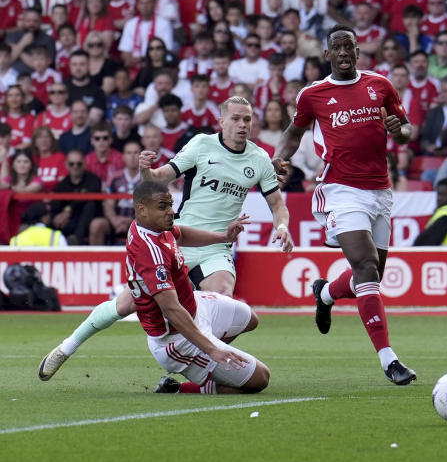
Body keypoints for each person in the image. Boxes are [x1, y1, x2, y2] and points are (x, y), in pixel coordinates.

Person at [38, 97, 293, 381]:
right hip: (177, 239)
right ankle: (65, 348)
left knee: (223, 299)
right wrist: (145, 169)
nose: (242, 124)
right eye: (235, 118)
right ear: (221, 122)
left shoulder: (258, 159)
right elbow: (159, 178)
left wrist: (282, 226)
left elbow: (277, 206)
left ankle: (200, 364)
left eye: (247, 119)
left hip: (216, 247)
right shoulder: (201, 145)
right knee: (124, 306)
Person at [271, 25, 417, 385]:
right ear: (327, 55)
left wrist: (400, 130)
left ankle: (325, 292)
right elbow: (294, 131)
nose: (344, 52)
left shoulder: (380, 85)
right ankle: (389, 360)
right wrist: (277, 159)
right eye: (336, 47)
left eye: (349, 45)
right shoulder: (313, 94)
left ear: (357, 51)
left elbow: (407, 129)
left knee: (371, 275)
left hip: (380, 192)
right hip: (340, 190)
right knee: (366, 266)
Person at [113, 180, 270, 394]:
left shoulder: (151, 224)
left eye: (170, 204)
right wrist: (211, 349)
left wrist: (223, 237)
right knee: (260, 379)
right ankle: (182, 386)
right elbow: (172, 310)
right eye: (163, 206)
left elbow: (182, 234)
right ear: (142, 208)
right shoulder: (150, 253)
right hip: (175, 338)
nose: (170, 211)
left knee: (249, 319)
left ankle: (209, 361)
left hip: (195, 306)